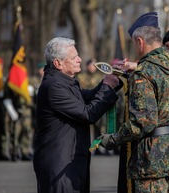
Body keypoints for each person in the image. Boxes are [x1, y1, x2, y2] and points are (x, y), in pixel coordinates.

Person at [99, 12, 169, 192]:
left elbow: (142, 122)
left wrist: (112, 139)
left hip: (153, 160)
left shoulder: (143, 73)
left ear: (140, 42)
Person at [32, 37, 123, 193]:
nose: (79, 60)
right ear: (58, 63)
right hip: (59, 164)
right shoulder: (54, 86)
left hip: (70, 160)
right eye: (73, 57)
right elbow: (88, 114)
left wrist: (114, 77)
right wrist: (107, 87)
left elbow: (89, 96)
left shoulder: (64, 81)